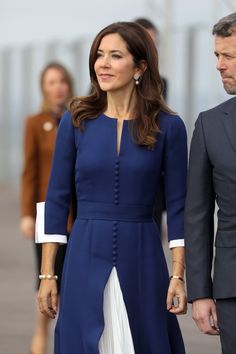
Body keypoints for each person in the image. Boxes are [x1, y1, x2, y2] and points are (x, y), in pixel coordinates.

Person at [36, 22, 187, 354]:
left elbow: (178, 207)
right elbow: (56, 200)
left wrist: (178, 274)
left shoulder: (169, 127)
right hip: (83, 252)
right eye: (99, 55)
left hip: (143, 254)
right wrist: (48, 275)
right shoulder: (76, 120)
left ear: (140, 66)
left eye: (115, 56)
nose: (102, 63)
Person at [185, 12, 236, 354]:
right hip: (233, 291)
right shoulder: (209, 125)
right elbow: (197, 214)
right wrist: (200, 292)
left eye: (228, 55)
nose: (219, 65)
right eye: (216, 55)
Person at [20, 61, 75, 354]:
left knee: (71, 278)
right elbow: (29, 170)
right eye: (52, 82)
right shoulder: (34, 123)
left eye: (62, 81)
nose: (58, 87)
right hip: (46, 213)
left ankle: (64, 335)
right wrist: (27, 214)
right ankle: (41, 330)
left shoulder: (80, 119)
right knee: (45, 275)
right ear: (44, 87)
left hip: (76, 214)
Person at [134, 17, 168, 233]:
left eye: (154, 42)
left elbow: (159, 126)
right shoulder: (106, 81)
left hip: (151, 182)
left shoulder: (161, 84)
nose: (150, 47)